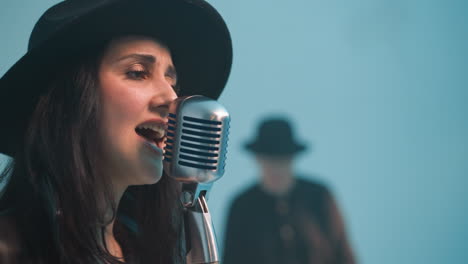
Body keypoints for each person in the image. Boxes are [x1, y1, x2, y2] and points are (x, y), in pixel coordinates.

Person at [0, 0, 232, 263]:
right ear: (72, 99)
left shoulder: (148, 251)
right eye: (137, 73)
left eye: (173, 84)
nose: (172, 98)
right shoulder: (8, 249)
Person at [223, 117, 356, 264]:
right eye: (269, 160)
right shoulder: (242, 206)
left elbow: (343, 253)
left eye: (282, 160)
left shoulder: (320, 197)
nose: (276, 168)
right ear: (258, 159)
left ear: (293, 159)